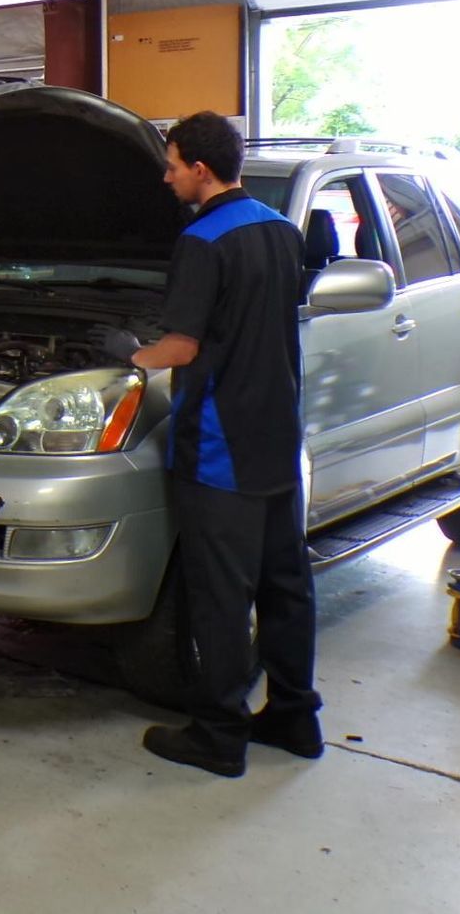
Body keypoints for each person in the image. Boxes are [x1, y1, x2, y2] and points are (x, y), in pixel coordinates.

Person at [129, 111, 320, 778]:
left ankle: (218, 733)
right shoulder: (278, 230)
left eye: (173, 163)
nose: (167, 174)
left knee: (219, 595)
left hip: (219, 446)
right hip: (276, 434)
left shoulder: (203, 240)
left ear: (200, 170)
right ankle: (296, 715)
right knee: (285, 581)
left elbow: (180, 345)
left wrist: (131, 356)